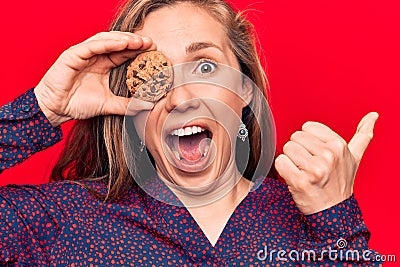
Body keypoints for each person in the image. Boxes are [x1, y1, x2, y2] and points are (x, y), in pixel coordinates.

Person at [0, 0, 381, 266]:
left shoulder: (309, 221)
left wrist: (334, 218)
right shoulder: (58, 223)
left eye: (204, 68)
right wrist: (42, 108)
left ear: (245, 89)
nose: (180, 98)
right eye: (156, 75)